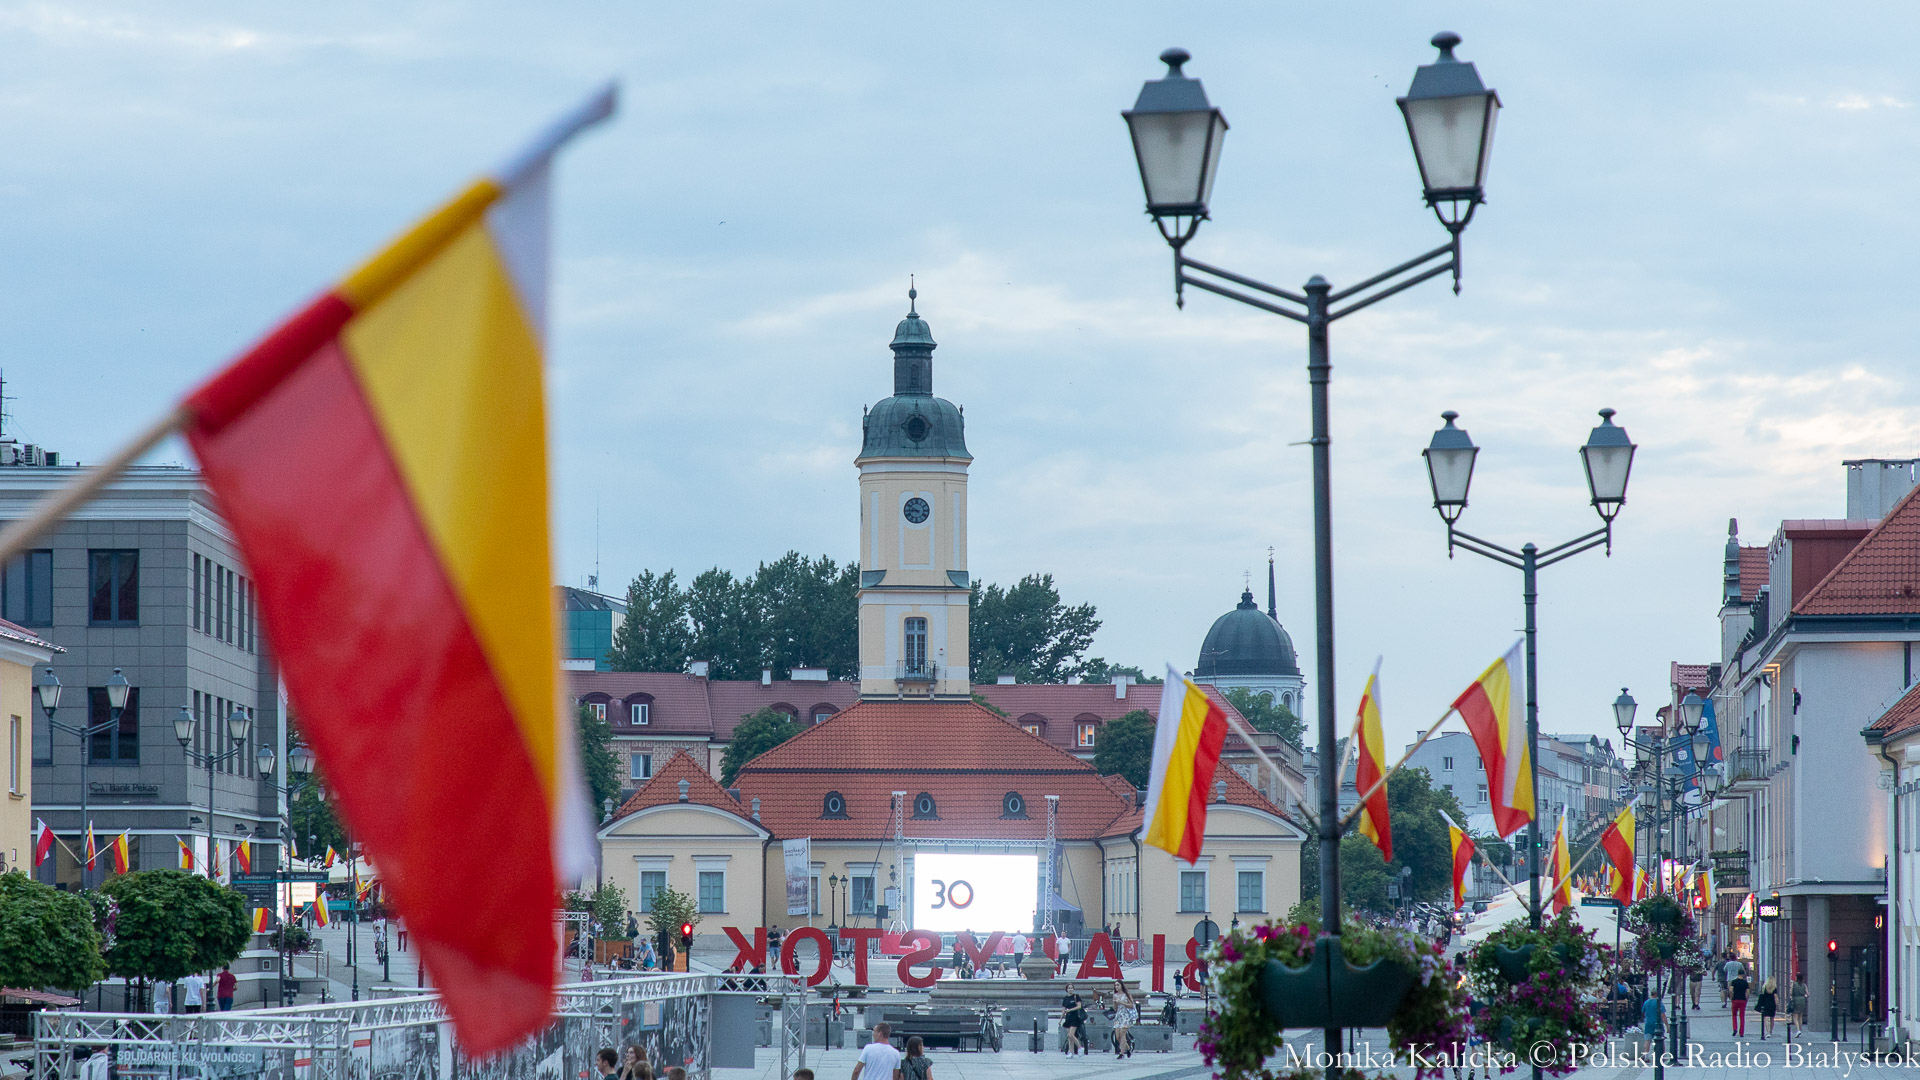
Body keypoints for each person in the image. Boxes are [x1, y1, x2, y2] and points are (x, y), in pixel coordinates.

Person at [1112, 983, 1135, 1058]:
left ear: (1121, 986)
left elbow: (1131, 1005)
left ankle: (1121, 1053)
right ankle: (1128, 1048)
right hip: (1118, 1016)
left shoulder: (1126, 995)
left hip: (1125, 1016)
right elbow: (1115, 1008)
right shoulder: (1115, 995)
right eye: (1115, 985)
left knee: (1122, 1033)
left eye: (1118, 985)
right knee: (1118, 1036)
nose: (1116, 987)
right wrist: (1115, 1002)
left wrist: (1122, 1002)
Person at [1060, 989, 1086, 1055]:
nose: (1070, 989)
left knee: (1071, 1034)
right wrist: (1060, 1019)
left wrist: (1070, 1010)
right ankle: (1070, 1052)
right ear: (1066, 989)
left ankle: (1080, 1047)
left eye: (1072, 988)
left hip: (1075, 1017)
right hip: (1068, 1018)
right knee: (1069, 1036)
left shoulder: (1076, 996)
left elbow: (1079, 1006)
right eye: (1069, 988)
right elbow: (1063, 1010)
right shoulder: (1066, 998)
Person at [1730, 969, 1749, 1038]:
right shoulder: (1745, 983)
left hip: (1735, 1000)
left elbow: (1731, 990)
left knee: (1734, 1015)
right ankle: (1741, 1032)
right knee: (1742, 1017)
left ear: (1738, 974)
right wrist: (1746, 1000)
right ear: (1743, 974)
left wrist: (1731, 997)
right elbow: (1747, 993)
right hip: (1742, 1000)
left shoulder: (1734, 982)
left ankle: (1735, 1028)